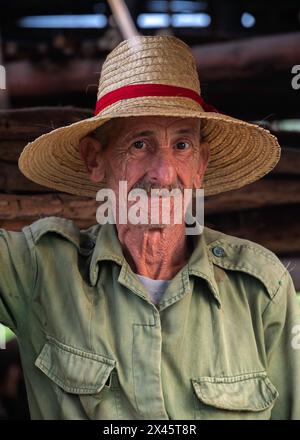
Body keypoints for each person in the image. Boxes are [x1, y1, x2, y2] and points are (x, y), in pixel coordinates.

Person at [0, 35, 299, 420]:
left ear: (201, 163)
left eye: (182, 145)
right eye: (140, 144)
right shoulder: (38, 268)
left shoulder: (262, 288)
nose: (163, 174)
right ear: (95, 159)